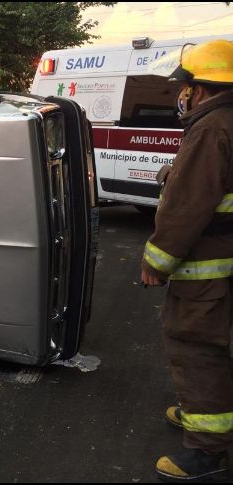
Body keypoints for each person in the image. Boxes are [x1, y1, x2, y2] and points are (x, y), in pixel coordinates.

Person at [141, 39, 233, 483]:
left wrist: (155, 262)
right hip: (224, 263)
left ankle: (207, 449)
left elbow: (187, 206)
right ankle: (202, 411)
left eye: (185, 86)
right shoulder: (225, 123)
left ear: (200, 88)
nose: (182, 94)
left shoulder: (212, 128)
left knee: (195, 347)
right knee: (214, 344)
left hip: (207, 270)